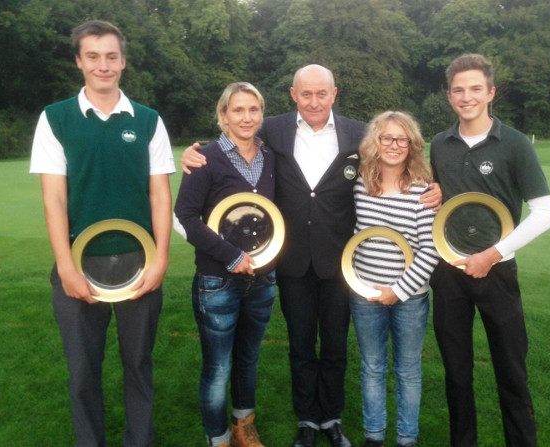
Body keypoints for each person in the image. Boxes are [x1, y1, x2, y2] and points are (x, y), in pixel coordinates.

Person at [181, 65, 442, 447]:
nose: (314, 101)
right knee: (301, 347)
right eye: (307, 94)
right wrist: (197, 152)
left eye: (322, 94)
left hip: (342, 264)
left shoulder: (359, 133)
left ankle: (331, 419)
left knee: (335, 348)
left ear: (334, 94)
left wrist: (433, 185)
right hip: (292, 263)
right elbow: (236, 133)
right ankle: (306, 421)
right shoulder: (274, 129)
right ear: (293, 95)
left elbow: (402, 155)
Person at [29, 20, 174, 446]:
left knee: (138, 365)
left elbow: (160, 197)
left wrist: (161, 259)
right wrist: (66, 267)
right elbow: (53, 200)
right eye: (93, 56)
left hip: (139, 262)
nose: (103, 65)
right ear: (79, 62)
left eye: (111, 56)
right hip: (79, 265)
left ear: (123, 61)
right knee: (83, 371)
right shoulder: (55, 118)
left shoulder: (148, 120)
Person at [429, 54, 550, 447]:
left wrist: (492, 255)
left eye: (475, 89)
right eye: (458, 90)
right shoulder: (438, 144)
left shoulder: (514, 143)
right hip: (448, 272)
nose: (467, 97)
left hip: (497, 273)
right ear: (449, 96)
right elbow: (442, 199)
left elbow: (545, 214)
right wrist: (435, 195)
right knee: (456, 374)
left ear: (490, 93)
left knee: (512, 373)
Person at [174, 82, 275, 447]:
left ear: (261, 114)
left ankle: (243, 427)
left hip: (262, 279)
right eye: (238, 110)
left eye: (253, 110)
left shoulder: (271, 156)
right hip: (217, 281)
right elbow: (185, 215)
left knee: (248, 359)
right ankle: (217, 439)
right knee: (218, 368)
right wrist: (231, 256)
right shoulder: (206, 158)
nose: (246, 117)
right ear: (223, 116)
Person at [350, 111, 440, 447]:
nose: (394, 145)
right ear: (375, 140)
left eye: (402, 139)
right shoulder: (359, 182)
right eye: (387, 137)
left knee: (407, 370)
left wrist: (398, 291)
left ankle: (406, 438)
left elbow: (430, 252)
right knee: (372, 368)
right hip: (364, 295)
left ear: (412, 145)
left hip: (411, 298)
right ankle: (374, 435)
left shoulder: (423, 192)